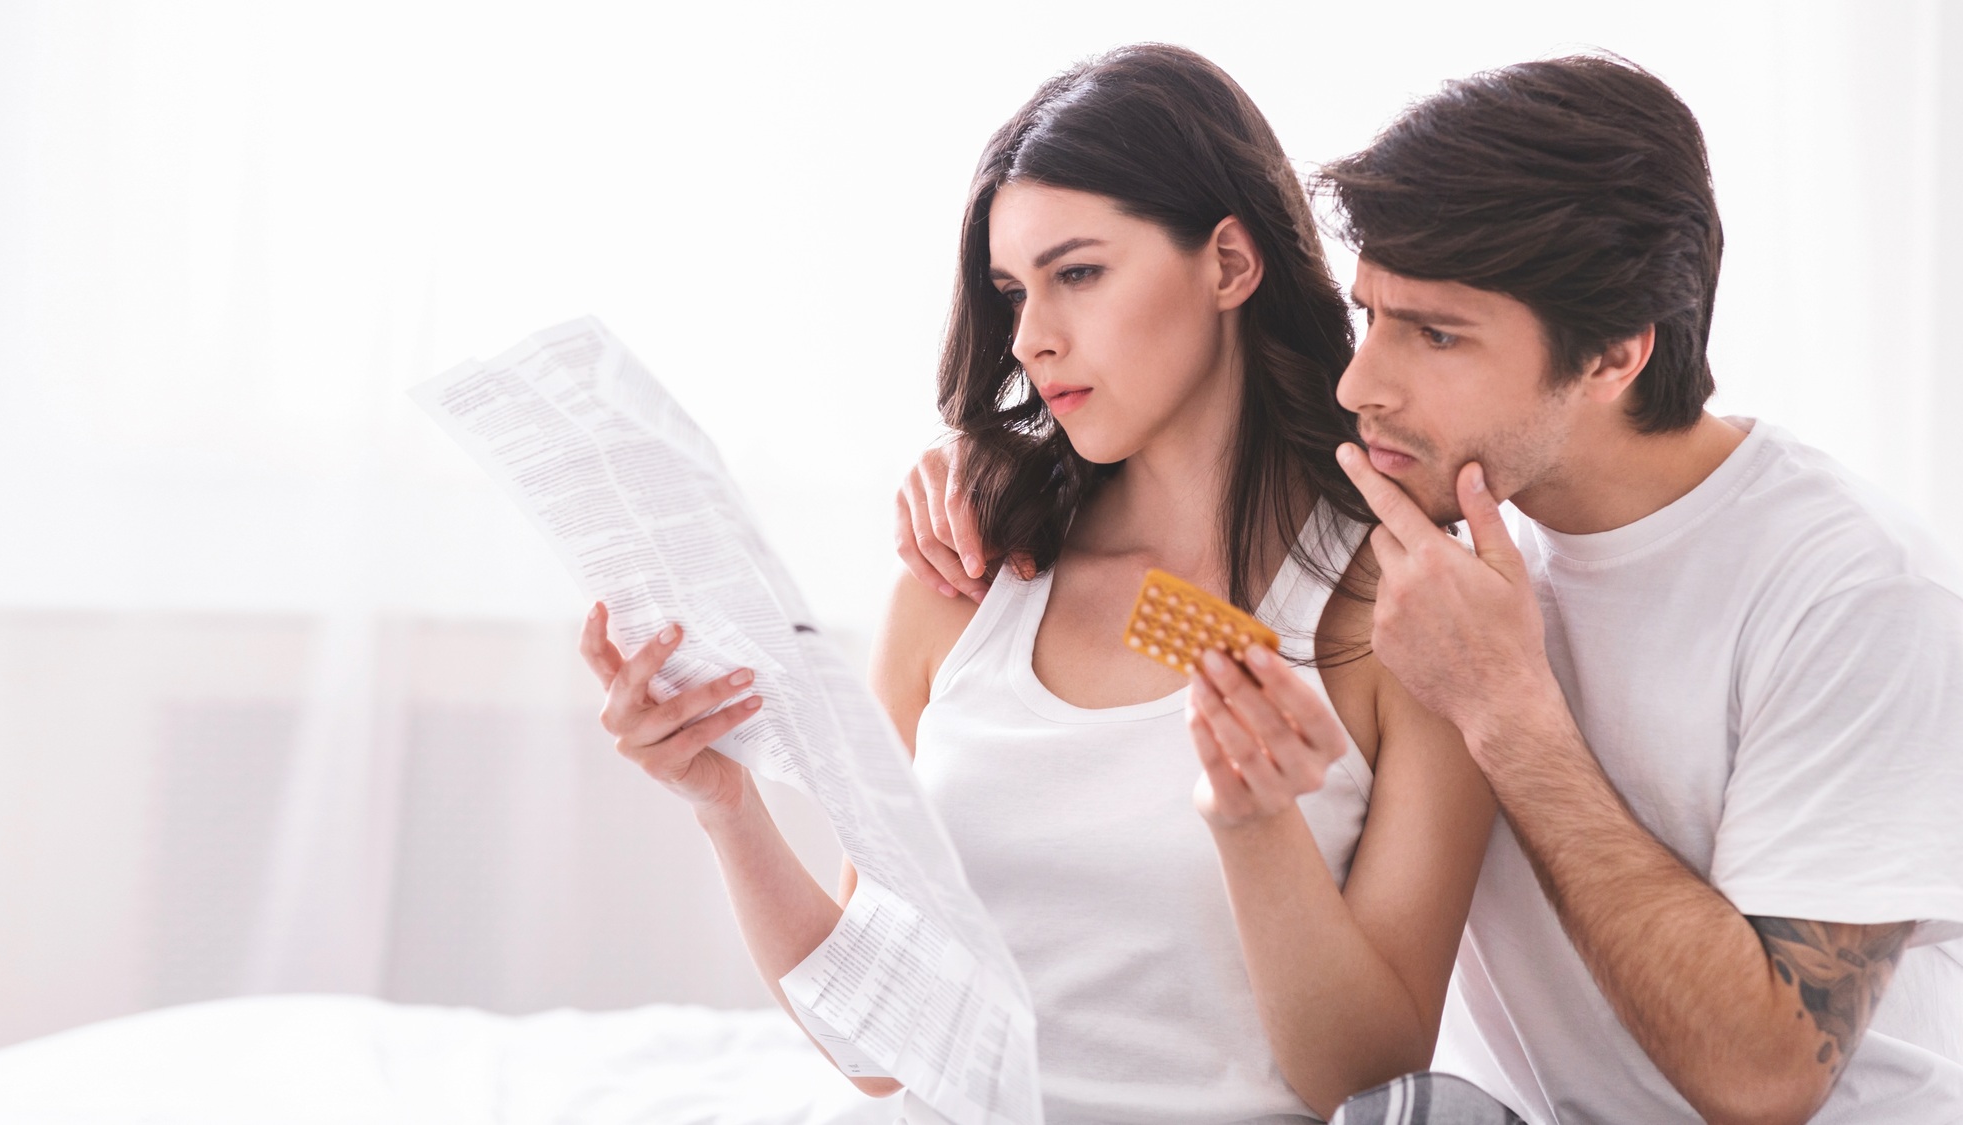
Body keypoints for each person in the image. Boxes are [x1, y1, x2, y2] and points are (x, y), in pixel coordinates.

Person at [899, 55, 1963, 1125]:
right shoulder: (1430, 513)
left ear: (1611, 356)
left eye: (1435, 334)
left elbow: (1763, 1078)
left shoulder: (1853, 595)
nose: (1362, 383)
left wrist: (1505, 710)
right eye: (1372, 318)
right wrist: (1002, 469)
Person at [580, 44, 1500, 1125]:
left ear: (1228, 265)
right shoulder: (966, 576)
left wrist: (1257, 830)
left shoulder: (1395, 615)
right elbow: (879, 1046)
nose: (1030, 337)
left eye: (1078, 273)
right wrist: (723, 805)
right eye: (1012, 291)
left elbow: (1362, 1077)